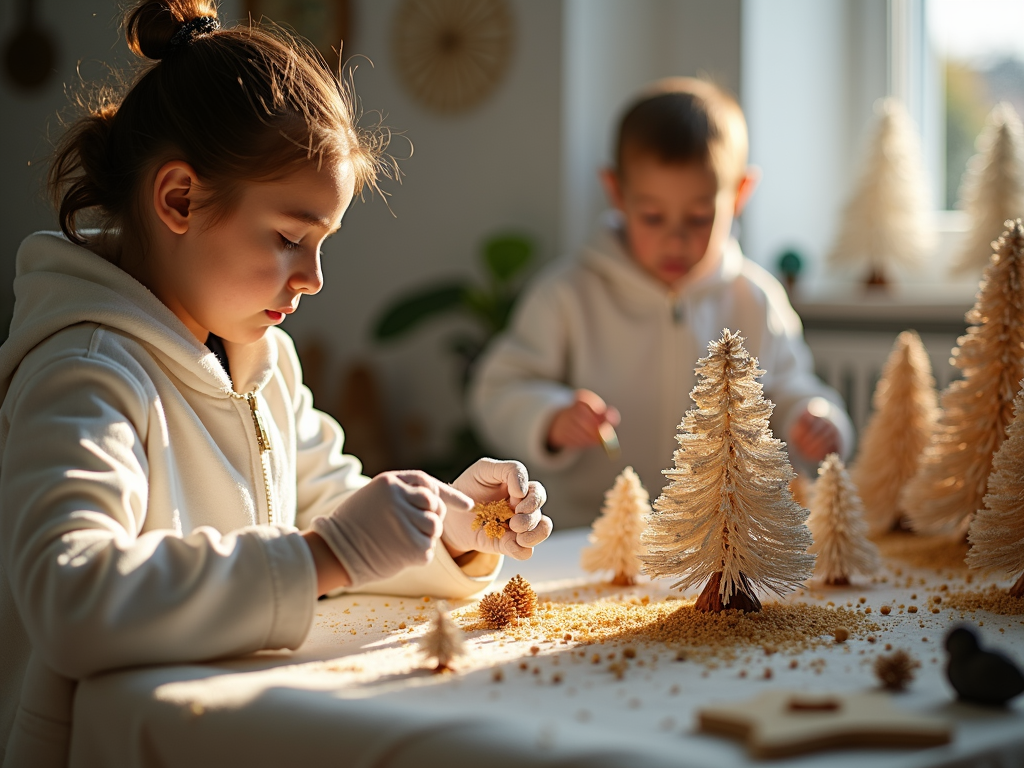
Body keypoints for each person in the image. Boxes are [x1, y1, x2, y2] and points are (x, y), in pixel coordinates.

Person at [0, 3, 552, 765]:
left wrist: (450, 527)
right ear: (180, 200)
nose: (316, 278)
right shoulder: (87, 374)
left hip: (230, 731)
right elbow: (73, 596)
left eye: (321, 244)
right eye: (291, 238)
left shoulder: (263, 362)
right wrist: (323, 556)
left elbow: (327, 503)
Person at [469, 77, 853, 528]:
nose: (675, 238)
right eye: (652, 216)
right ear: (615, 192)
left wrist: (818, 420)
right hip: (586, 540)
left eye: (698, 217)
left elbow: (791, 391)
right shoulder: (567, 294)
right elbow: (498, 390)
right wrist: (550, 417)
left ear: (741, 193)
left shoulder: (755, 299)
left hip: (714, 544)